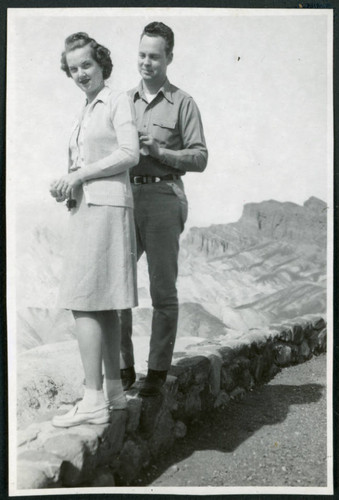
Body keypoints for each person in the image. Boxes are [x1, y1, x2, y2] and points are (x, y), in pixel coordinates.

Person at [49, 32, 139, 427]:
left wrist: (80, 176)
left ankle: (92, 398)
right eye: (73, 69)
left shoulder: (117, 100)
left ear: (102, 62)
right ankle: (115, 393)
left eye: (86, 64)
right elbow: (87, 163)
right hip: (90, 208)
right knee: (102, 303)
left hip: (105, 209)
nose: (81, 73)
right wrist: (68, 185)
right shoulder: (86, 110)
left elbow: (129, 152)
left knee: (83, 300)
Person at [120, 22, 208, 396]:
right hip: (125, 198)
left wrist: (160, 153)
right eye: (141, 54)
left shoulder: (183, 102)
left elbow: (200, 157)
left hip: (163, 198)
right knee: (116, 288)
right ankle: (123, 370)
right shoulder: (123, 101)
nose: (146, 62)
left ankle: (156, 373)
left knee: (162, 291)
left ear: (169, 57)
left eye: (154, 56)